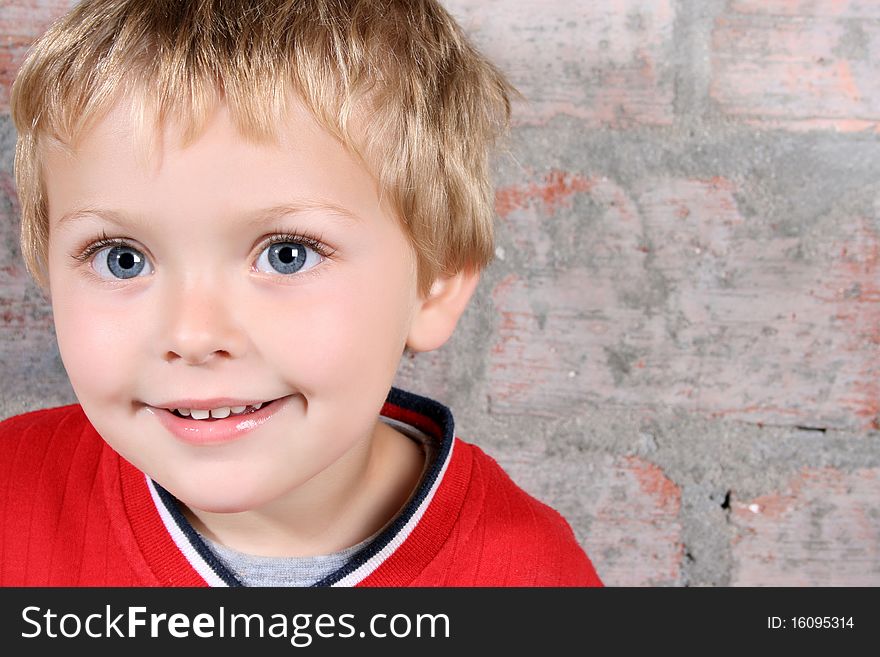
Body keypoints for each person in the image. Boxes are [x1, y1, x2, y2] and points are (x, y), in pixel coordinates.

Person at [1, 0, 602, 587]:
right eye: (123, 259)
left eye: (287, 255)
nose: (193, 335)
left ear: (436, 283)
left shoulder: (533, 577)